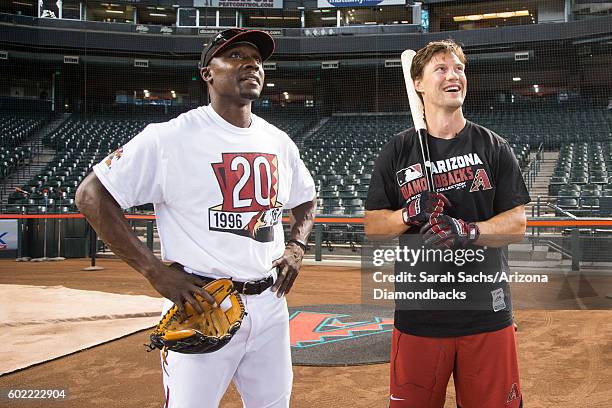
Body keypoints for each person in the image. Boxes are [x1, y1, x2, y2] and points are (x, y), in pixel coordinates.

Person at [76, 28, 316, 408]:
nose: (252, 63)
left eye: (256, 59)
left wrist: (297, 245)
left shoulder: (278, 141)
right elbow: (91, 195)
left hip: (270, 302)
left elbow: (307, 197)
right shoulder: (169, 138)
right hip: (203, 303)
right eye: (235, 55)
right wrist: (155, 271)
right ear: (208, 73)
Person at [365, 40, 530, 407]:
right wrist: (409, 212)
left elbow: (517, 223)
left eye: (459, 68)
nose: (454, 75)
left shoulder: (493, 146)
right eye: (441, 68)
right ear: (418, 84)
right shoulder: (398, 150)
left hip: (487, 314)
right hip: (419, 317)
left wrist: (468, 231)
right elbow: (374, 225)